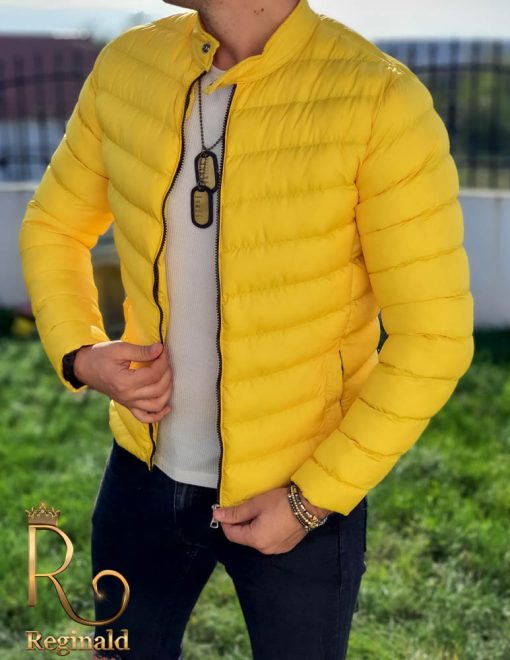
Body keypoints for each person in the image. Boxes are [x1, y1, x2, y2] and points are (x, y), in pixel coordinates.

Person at [18, 0, 475, 658]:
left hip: (298, 492)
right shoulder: (128, 65)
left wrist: (312, 500)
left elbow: (432, 338)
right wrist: (81, 351)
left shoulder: (379, 98)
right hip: (141, 476)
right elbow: (54, 225)